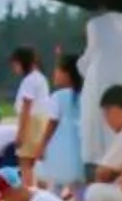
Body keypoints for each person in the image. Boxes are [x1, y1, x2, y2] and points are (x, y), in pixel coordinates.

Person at [38, 50, 88, 193]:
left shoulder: (58, 97)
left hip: (60, 146)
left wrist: (41, 146)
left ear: (68, 74)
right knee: (80, 185)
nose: (55, 74)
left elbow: (51, 124)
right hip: (81, 145)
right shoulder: (86, 95)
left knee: (55, 183)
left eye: (58, 70)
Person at [10, 46, 50, 170]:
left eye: (15, 65)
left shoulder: (29, 80)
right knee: (37, 162)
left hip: (31, 123)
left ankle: (29, 188)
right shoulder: (41, 78)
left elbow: (26, 108)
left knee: (25, 162)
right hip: (41, 121)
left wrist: (20, 134)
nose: (14, 69)